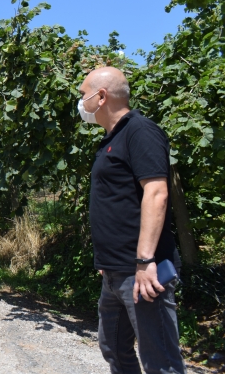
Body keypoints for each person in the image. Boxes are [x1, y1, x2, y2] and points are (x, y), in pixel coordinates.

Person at [78, 66, 185, 373]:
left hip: (142, 272)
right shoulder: (113, 137)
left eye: (83, 95)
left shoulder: (141, 131)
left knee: (160, 360)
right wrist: (108, 262)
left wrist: (144, 261)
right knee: (113, 347)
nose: (80, 102)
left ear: (101, 97)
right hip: (115, 271)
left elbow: (156, 193)